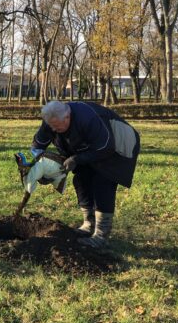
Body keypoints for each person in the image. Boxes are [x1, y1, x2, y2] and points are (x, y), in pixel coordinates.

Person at [29, 101, 140, 248]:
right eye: (51, 126)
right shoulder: (52, 120)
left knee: (103, 182)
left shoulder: (87, 118)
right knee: (81, 179)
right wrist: (40, 167)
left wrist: (76, 159)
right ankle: (89, 224)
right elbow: (37, 146)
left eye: (57, 126)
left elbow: (105, 146)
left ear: (68, 116)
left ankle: (101, 236)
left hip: (116, 145)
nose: (54, 130)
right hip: (89, 145)